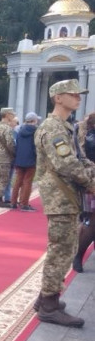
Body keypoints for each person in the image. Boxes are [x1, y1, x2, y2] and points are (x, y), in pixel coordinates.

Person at [33, 79, 95, 328]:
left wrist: (91, 172)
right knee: (61, 249)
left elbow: (80, 158)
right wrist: (91, 183)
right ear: (58, 97)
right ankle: (49, 306)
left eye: (79, 95)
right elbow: (66, 164)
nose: (78, 98)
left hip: (66, 195)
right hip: (60, 196)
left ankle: (44, 299)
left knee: (65, 247)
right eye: (73, 94)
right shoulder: (53, 128)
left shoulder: (65, 126)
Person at [73, 111, 95, 273]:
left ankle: (78, 256)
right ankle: (78, 256)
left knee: (89, 220)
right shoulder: (87, 135)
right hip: (91, 180)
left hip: (88, 179)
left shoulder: (82, 132)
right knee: (91, 222)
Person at [10, 112, 39, 211]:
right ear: (34, 120)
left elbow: (16, 144)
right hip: (31, 158)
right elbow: (36, 146)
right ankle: (24, 203)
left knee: (18, 181)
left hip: (19, 158)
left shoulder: (19, 130)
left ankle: (13, 202)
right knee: (27, 182)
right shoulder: (36, 131)